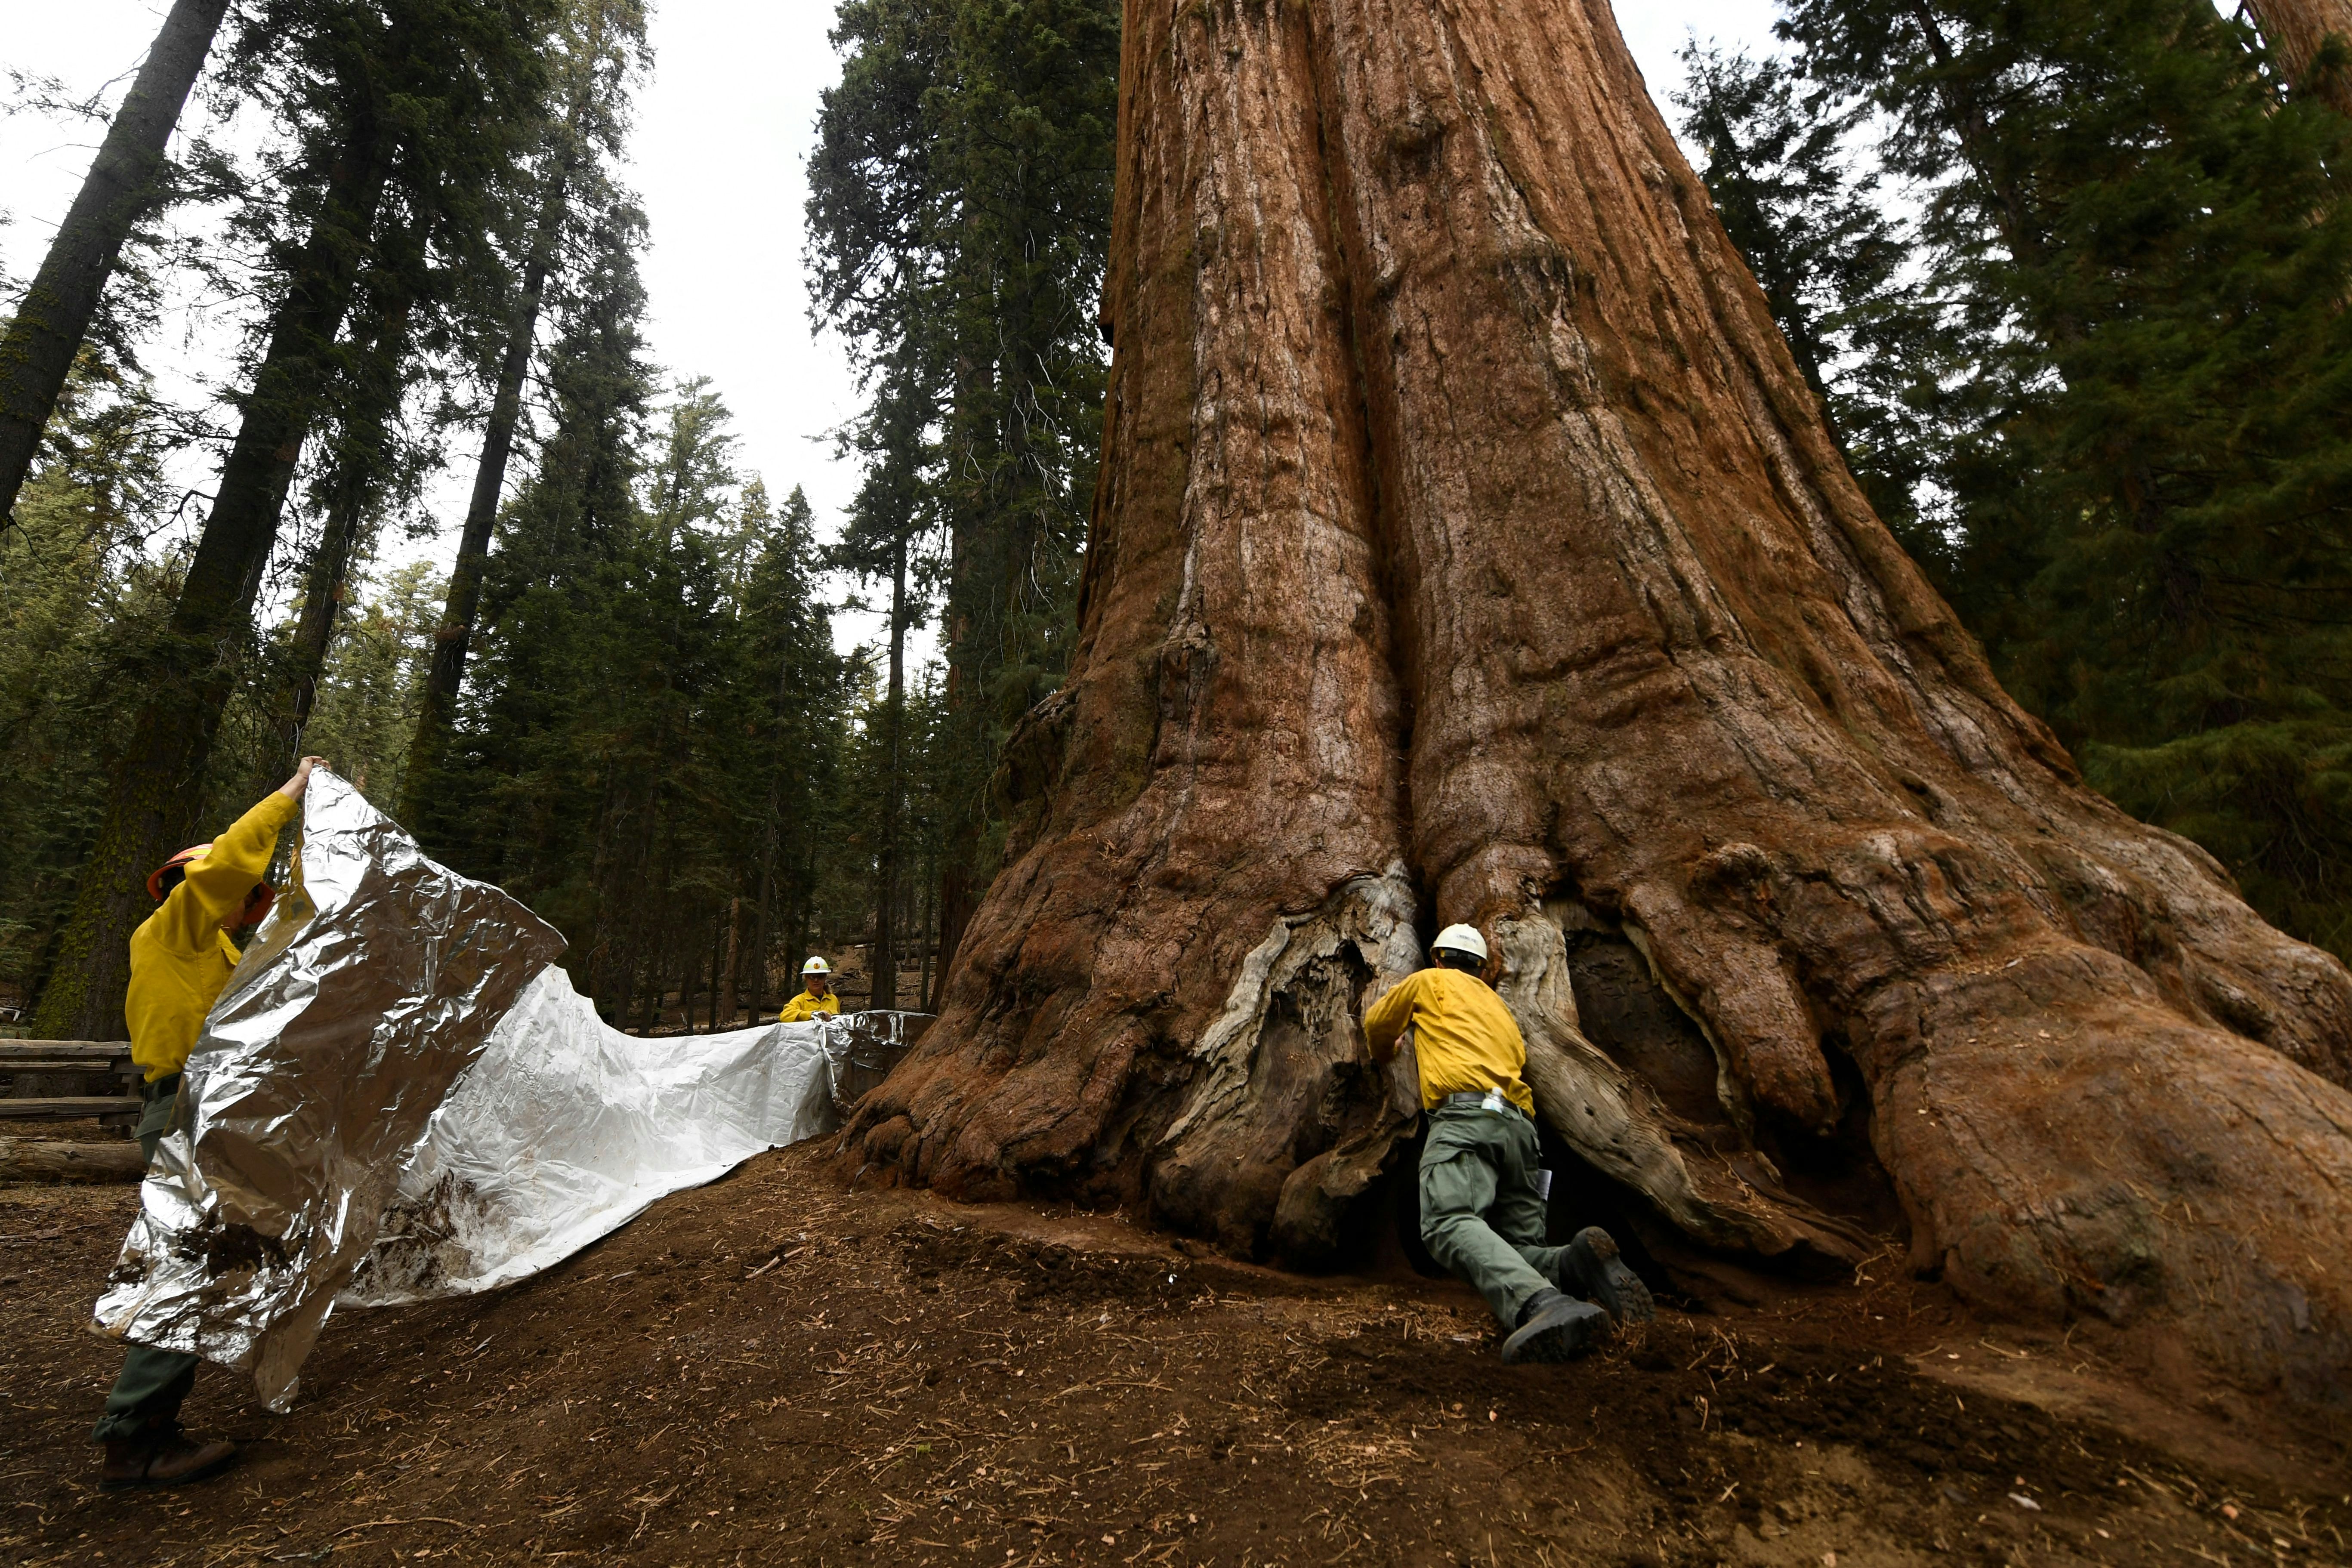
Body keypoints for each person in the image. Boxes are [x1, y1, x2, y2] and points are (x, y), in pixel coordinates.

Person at [93, 755, 325, 1488]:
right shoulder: (175, 930)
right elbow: (222, 866)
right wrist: (290, 795)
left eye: (250, 896)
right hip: (186, 1110)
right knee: (191, 1268)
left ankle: (145, 1426)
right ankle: (135, 1439)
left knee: (209, 1262)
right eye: (235, 890)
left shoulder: (220, 953)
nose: (241, 903)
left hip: (217, 1108)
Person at [1363, 923, 1656, 1364]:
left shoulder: (1428, 981)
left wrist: (1390, 1049)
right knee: (1518, 1247)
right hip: (1522, 1132)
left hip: (1467, 1120)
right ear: (1482, 970)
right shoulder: (1500, 1008)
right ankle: (1576, 1264)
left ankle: (1543, 1303)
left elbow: (1376, 1025)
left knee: (1447, 1222)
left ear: (1438, 957)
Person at [776, 955, 840, 1022]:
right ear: (806, 978)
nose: (816, 980)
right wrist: (812, 1015)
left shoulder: (833, 999)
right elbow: (784, 1017)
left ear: (825, 978)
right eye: (812, 977)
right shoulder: (799, 1001)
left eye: (820, 977)